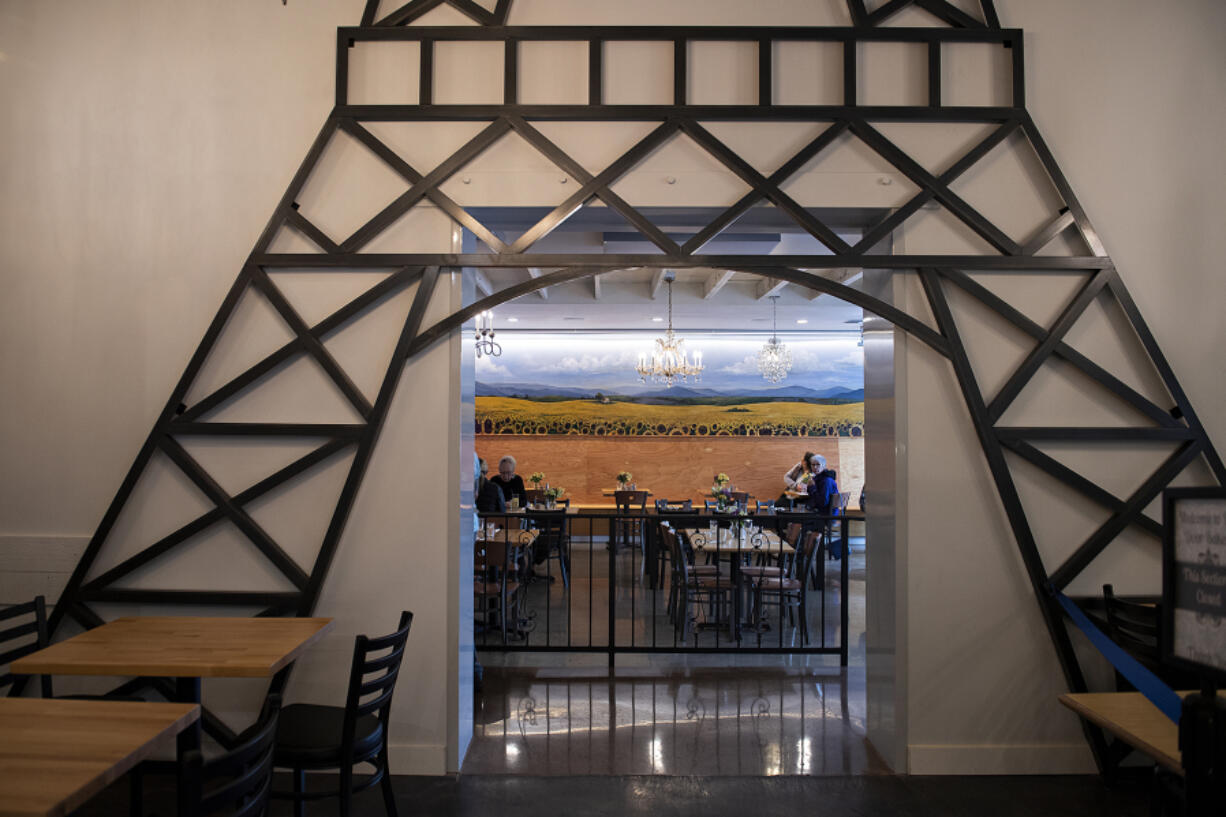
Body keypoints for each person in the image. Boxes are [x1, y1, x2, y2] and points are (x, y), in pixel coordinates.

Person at [805, 454, 842, 558]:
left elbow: (822, 502)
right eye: (813, 465)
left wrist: (812, 488)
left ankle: (805, 552)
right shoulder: (821, 478)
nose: (815, 467)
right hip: (828, 513)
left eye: (818, 465)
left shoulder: (825, 481)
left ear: (824, 466)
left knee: (799, 522)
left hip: (825, 516)